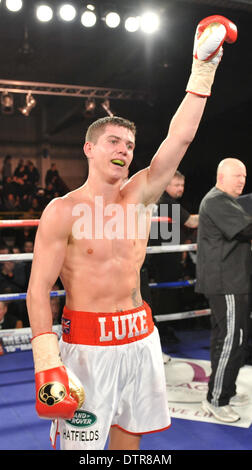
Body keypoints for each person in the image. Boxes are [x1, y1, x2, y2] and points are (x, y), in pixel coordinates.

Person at [26, 16, 237, 450]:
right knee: (81, 449)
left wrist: (203, 69)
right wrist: (46, 359)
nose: (124, 150)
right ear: (89, 148)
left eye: (129, 145)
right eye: (114, 142)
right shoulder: (61, 211)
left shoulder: (139, 196)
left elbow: (180, 138)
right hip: (86, 346)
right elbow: (37, 289)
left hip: (140, 338)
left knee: (129, 440)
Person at [196, 158, 252, 423]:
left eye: (244, 175)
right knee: (231, 341)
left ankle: (224, 390)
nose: (242, 180)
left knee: (232, 340)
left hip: (233, 281)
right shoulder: (217, 200)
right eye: (237, 175)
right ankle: (216, 399)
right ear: (221, 176)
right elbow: (248, 228)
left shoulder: (227, 201)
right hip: (226, 282)